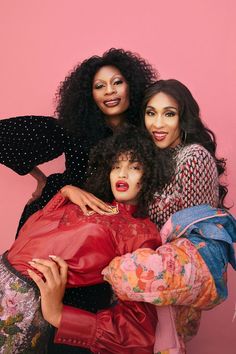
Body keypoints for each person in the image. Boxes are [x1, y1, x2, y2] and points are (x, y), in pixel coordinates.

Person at [33, 80, 235, 353]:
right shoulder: (153, 158)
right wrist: (68, 190)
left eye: (169, 113)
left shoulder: (192, 156)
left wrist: (131, 259)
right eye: (151, 113)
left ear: (183, 117)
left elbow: (192, 231)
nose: (158, 123)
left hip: (176, 276)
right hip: (151, 281)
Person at [0, 48, 157, 353]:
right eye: (99, 86)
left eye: (117, 82)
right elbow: (3, 137)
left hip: (106, 236)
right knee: (31, 312)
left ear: (132, 86)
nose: (109, 92)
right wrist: (47, 182)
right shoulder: (75, 128)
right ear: (89, 95)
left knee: (84, 316)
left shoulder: (147, 132)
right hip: (62, 224)